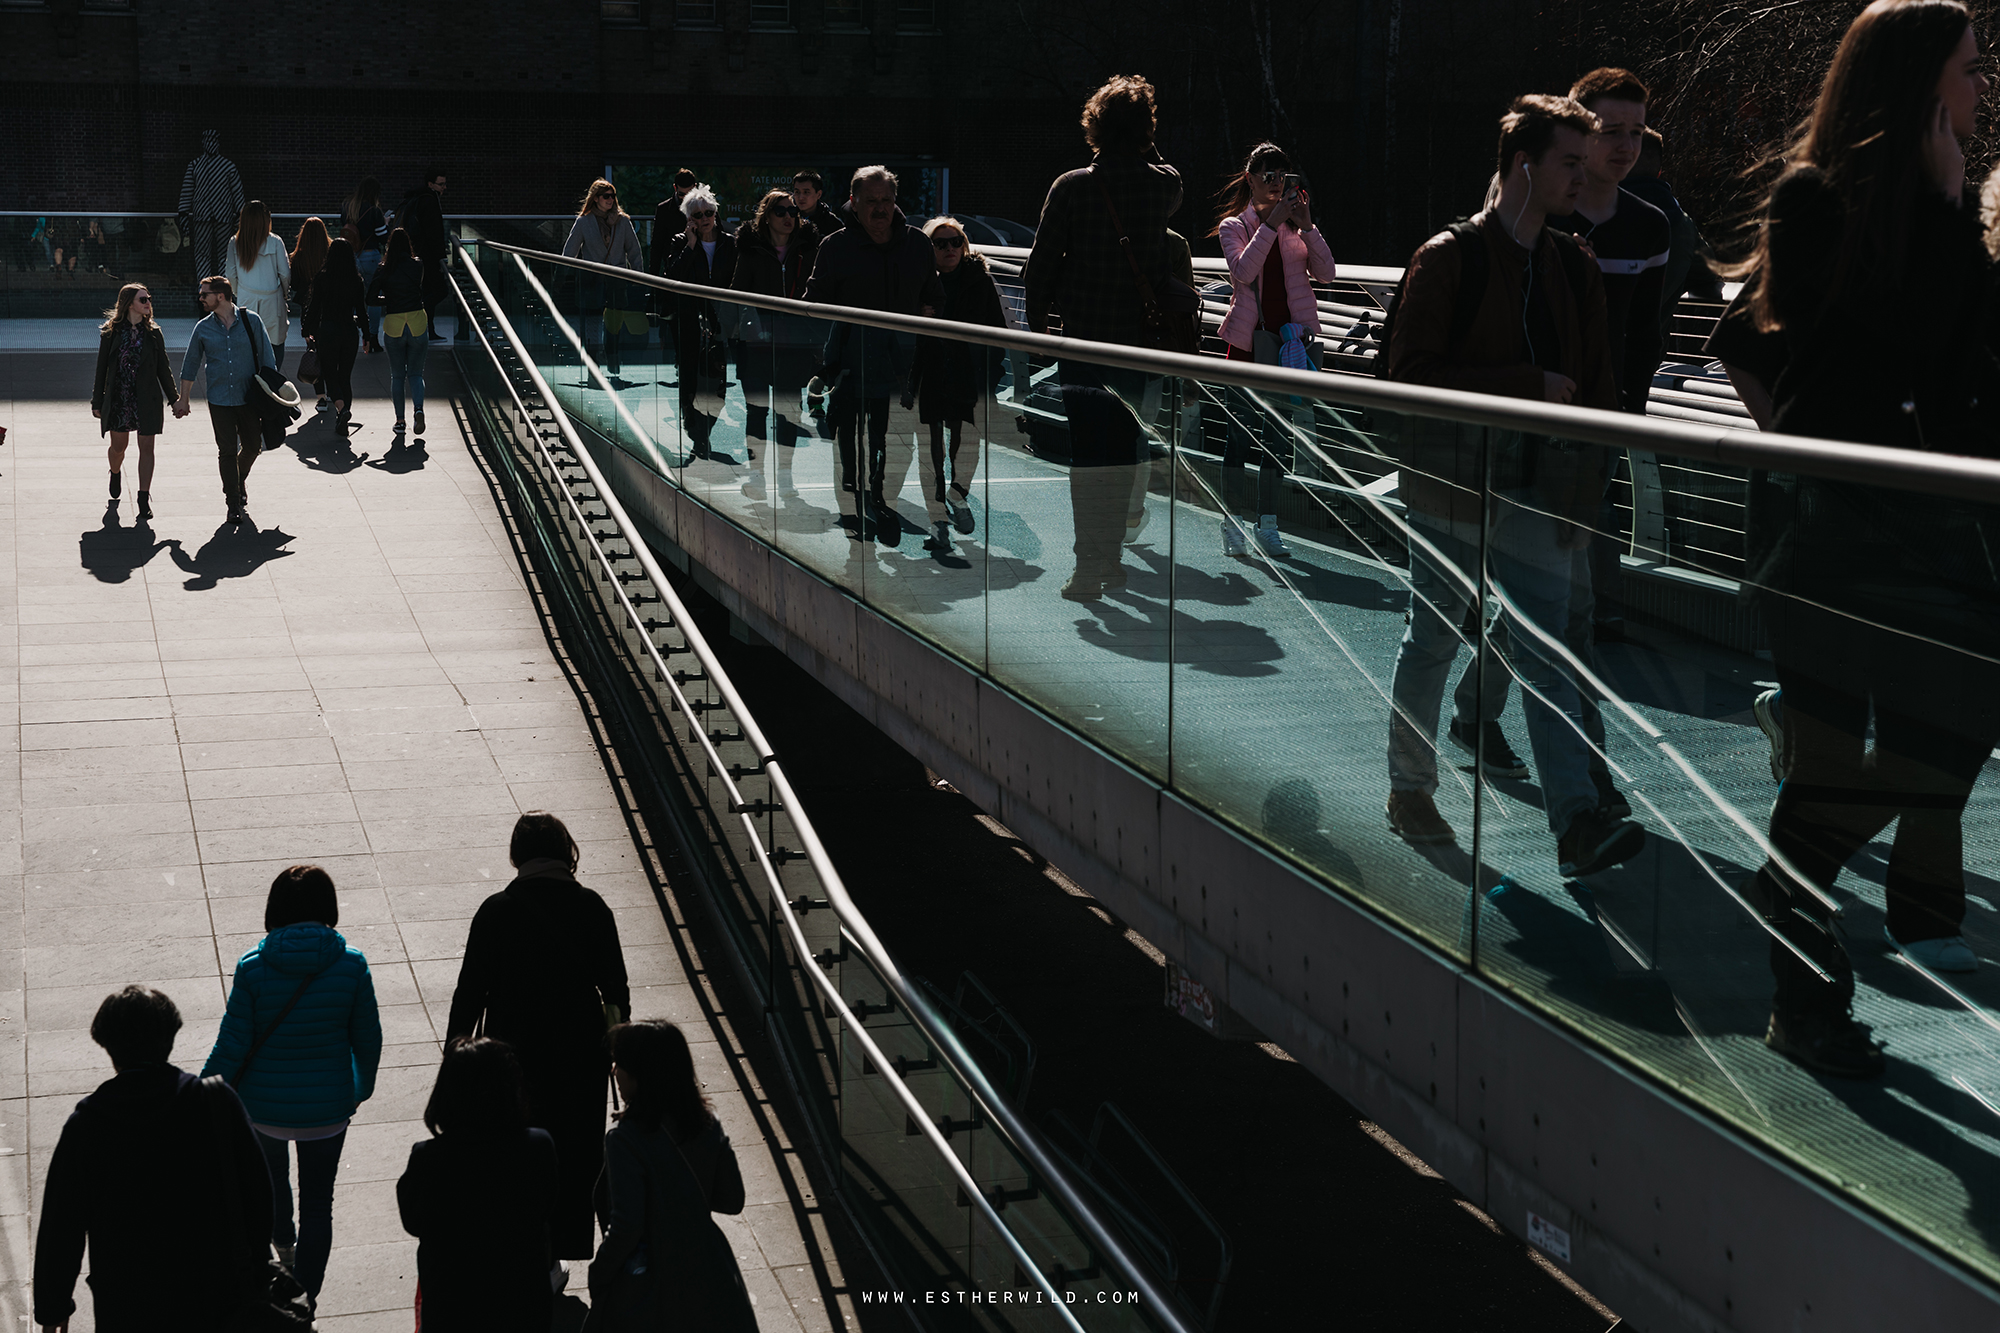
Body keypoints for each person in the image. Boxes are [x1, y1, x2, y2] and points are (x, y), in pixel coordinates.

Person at [1724, 0, 1999, 1076]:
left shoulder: (1942, 204)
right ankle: (1802, 992)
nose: (1983, 86)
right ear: (1916, 80)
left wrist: (1953, 215)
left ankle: (1798, 890)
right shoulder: (1814, 202)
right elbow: (1880, 355)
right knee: (1834, 758)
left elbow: (1959, 374)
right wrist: (1941, 212)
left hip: (1928, 540)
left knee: (1951, 724)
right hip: (1832, 543)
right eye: (1971, 68)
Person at [1379, 93, 1647, 884]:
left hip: (1540, 489)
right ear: (1522, 167)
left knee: (1547, 651)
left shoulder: (1574, 265)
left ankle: (1576, 822)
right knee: (1433, 635)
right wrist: (1526, 383)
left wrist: (1586, 491)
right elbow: (1410, 379)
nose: (1584, 174)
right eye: (1569, 161)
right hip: (1452, 483)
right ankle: (1409, 788)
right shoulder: (1449, 257)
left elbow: (1598, 394)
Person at [445, 811, 630, 1290]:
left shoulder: (496, 910)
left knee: (516, 1150)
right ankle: (560, 1254)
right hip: (579, 1052)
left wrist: (457, 1054)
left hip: (512, 1053)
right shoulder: (591, 906)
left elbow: (470, 991)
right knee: (573, 1151)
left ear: (517, 856)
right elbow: (614, 989)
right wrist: (618, 1049)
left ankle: (528, 1253)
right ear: (565, 850)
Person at [1023, 74, 1183, 599]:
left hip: (1085, 343)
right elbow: (1160, 166)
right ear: (1143, 131)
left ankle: (1089, 563)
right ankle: (1109, 556)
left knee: (1089, 454)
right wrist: (1142, 136)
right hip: (1138, 344)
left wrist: (1039, 328)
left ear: (1093, 127)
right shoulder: (1163, 185)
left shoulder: (1071, 187)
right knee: (1122, 452)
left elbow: (1040, 265)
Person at [34, 986, 274, 1333]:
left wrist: (53, 1307)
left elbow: (62, 1224)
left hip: (129, 1302)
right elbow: (259, 1194)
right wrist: (255, 1266)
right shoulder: (215, 1101)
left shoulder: (88, 1124)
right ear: (171, 1035)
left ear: (106, 1044)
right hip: (218, 1295)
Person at [200, 865, 383, 1312]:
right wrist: (357, 1089)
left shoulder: (253, 967)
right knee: (320, 1200)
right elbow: (368, 1039)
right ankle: (307, 1297)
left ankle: (283, 1246)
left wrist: (202, 1091)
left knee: (272, 1182)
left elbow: (233, 1043)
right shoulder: (352, 965)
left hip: (263, 1108)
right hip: (328, 1109)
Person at [806, 165, 945, 545]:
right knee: (848, 455)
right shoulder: (835, 246)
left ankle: (883, 503)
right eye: (872, 202)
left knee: (890, 448)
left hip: (900, 373)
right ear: (854, 202)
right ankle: (856, 528)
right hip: (849, 370)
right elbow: (812, 307)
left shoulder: (917, 243)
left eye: (887, 201)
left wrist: (928, 313)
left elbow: (935, 299)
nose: (881, 209)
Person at [1212, 141, 1338, 558]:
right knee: (1238, 438)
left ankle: (1268, 524)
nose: (1273, 184)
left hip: (1288, 350)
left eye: (1280, 176)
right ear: (1249, 179)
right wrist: (1270, 226)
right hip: (1247, 347)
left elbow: (1328, 274)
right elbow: (1243, 272)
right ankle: (1232, 522)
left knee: (1278, 440)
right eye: (1266, 175)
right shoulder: (1236, 227)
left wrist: (1306, 225)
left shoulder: (1295, 229)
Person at [586, 1021, 755, 1330]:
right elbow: (732, 1199)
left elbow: (627, 1225)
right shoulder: (707, 1123)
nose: (613, 1070)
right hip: (708, 1272)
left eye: (620, 1063)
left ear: (640, 1076)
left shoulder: (624, 1140)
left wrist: (599, 1272)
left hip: (652, 1283)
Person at [398, 1038, 559, 1333]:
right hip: (522, 1299)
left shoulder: (428, 1157)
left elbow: (413, 1221)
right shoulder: (538, 1146)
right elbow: (546, 1205)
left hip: (453, 1302)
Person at [904, 215, 1009, 556]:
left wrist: (989, 378)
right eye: (940, 243)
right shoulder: (917, 280)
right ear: (928, 248)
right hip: (929, 372)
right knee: (930, 450)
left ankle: (958, 493)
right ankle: (938, 519)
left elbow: (997, 330)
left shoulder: (980, 279)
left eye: (955, 242)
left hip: (969, 373)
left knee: (968, 442)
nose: (949, 249)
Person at [729, 187, 823, 495]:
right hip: (755, 342)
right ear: (767, 217)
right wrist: (745, 325)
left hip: (794, 344)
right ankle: (757, 475)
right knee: (757, 410)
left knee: (788, 411)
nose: (788, 217)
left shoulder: (808, 249)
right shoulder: (751, 249)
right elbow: (737, 291)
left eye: (793, 212)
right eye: (780, 211)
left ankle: (785, 476)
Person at [175, 273, 276, 524]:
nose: (200, 298)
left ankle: (237, 479)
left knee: (253, 446)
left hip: (249, 398)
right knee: (227, 450)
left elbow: (268, 359)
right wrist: (183, 399)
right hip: (219, 399)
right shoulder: (203, 327)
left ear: (220, 296)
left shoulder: (251, 321)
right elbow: (190, 365)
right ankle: (233, 502)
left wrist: (273, 394)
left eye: (204, 294)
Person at [92, 283, 177, 520]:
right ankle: (116, 471)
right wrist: (97, 400)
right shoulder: (111, 333)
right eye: (143, 299)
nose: (148, 303)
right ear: (130, 303)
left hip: (147, 398)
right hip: (119, 397)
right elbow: (101, 369)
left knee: (147, 448)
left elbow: (163, 369)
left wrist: (175, 399)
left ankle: (143, 498)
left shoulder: (153, 333)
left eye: (149, 298)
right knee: (118, 447)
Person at [667, 184, 739, 458]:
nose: (704, 218)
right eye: (697, 215)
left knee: (718, 382)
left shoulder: (730, 243)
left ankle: (703, 429)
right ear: (689, 220)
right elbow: (672, 276)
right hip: (688, 320)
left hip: (719, 322)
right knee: (689, 379)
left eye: (708, 212)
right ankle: (695, 429)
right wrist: (690, 245)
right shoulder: (679, 242)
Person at [562, 178, 646, 378]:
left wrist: (639, 277)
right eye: (606, 196)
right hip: (592, 280)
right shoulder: (584, 222)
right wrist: (563, 277)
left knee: (613, 323)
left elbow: (634, 251)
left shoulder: (623, 221)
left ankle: (613, 359)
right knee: (592, 324)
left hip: (617, 280)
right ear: (596, 198)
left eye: (613, 196)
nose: (611, 200)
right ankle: (593, 366)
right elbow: (569, 252)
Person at [368, 227, 432, 435]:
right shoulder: (418, 265)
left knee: (397, 375)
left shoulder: (383, 269)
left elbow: (370, 298)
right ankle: (419, 409)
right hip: (417, 321)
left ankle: (400, 421)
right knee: (415, 373)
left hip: (394, 324)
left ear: (389, 246)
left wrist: (389, 300)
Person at [305, 237, 368, 429]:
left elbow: (314, 307)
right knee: (345, 376)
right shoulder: (356, 280)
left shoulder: (322, 277)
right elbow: (362, 311)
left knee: (330, 373)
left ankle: (341, 409)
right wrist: (367, 335)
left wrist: (307, 330)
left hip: (328, 330)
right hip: (349, 331)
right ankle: (343, 414)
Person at [226, 200, 293, 374]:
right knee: (275, 344)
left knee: (248, 344)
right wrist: (284, 294)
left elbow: (230, 274)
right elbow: (285, 273)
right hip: (273, 300)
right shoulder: (275, 241)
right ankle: (271, 383)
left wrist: (238, 293)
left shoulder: (235, 242)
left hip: (246, 300)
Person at [177, 129, 245, 296]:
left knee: (224, 254)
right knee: (202, 255)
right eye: (208, 141)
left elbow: (237, 192)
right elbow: (187, 190)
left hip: (223, 216)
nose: (211, 145)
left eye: (214, 141)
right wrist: (183, 214)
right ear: (203, 143)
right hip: (202, 216)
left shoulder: (228, 166)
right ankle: (204, 289)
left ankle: (223, 287)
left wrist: (240, 214)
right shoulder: (195, 165)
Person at [403, 166, 451, 339]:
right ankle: (420, 314)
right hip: (429, 257)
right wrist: (441, 256)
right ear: (430, 184)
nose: (444, 188)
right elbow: (433, 232)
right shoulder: (430, 200)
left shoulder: (419, 198)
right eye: (440, 184)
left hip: (419, 255)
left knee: (428, 290)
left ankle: (426, 329)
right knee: (439, 291)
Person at [290, 217, 333, 411]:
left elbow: (294, 285)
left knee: (314, 351)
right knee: (332, 353)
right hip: (330, 308)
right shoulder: (332, 253)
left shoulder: (298, 257)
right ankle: (334, 392)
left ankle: (321, 397)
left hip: (309, 310)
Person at [345, 177, 390, 353]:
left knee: (354, 296)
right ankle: (372, 338)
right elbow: (382, 237)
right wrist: (385, 224)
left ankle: (354, 333)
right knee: (374, 298)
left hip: (351, 256)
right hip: (371, 256)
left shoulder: (347, 208)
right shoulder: (374, 211)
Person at [651, 167, 698, 275]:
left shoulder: (705, 207)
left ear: (695, 187)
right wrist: (653, 277)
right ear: (675, 188)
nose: (685, 198)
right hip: (673, 266)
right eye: (682, 194)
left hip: (698, 266)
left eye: (689, 193)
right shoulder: (664, 209)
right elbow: (657, 245)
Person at [793, 168, 842, 238]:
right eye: (797, 192)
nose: (800, 197)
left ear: (818, 194)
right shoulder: (788, 217)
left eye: (806, 192)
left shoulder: (831, 223)